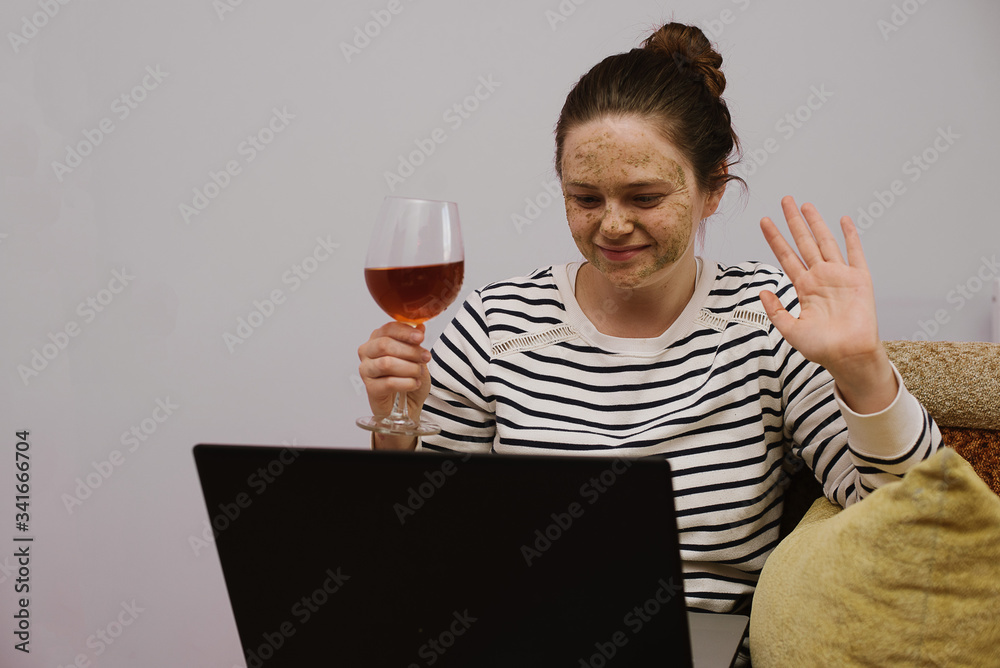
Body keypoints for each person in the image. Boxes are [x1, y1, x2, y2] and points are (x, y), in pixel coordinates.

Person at [358, 20, 940, 623]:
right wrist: (395, 431)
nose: (612, 226)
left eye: (645, 198)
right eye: (586, 198)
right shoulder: (495, 322)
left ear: (713, 189)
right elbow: (419, 545)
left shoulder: (770, 319)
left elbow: (913, 521)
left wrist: (863, 369)